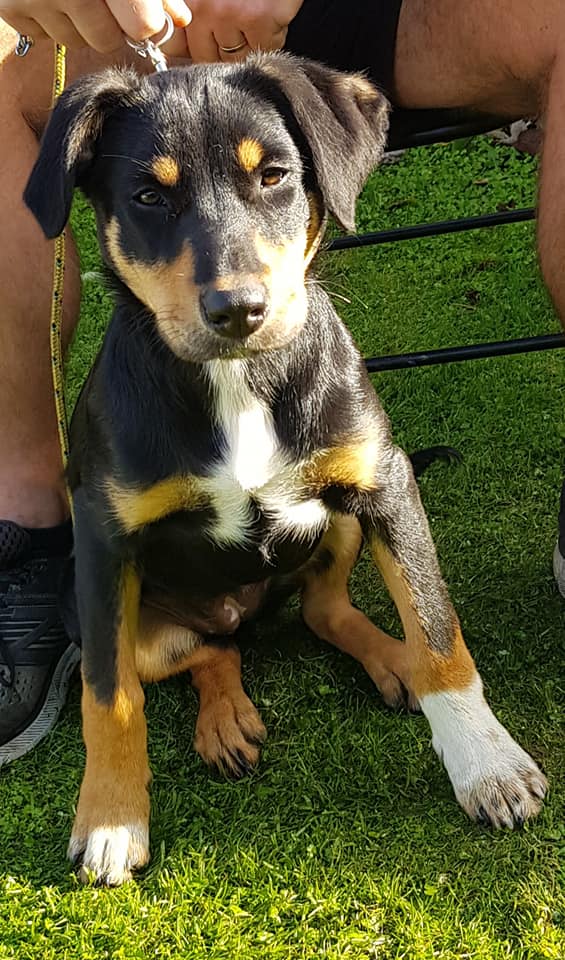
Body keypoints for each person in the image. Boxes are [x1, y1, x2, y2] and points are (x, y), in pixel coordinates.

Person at [0, 0, 563, 765]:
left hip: (354, 15)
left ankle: (335, 615)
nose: (232, 287)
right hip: (171, 593)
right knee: (144, 634)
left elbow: (384, 488)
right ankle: (199, 657)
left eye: (271, 178)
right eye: (151, 198)